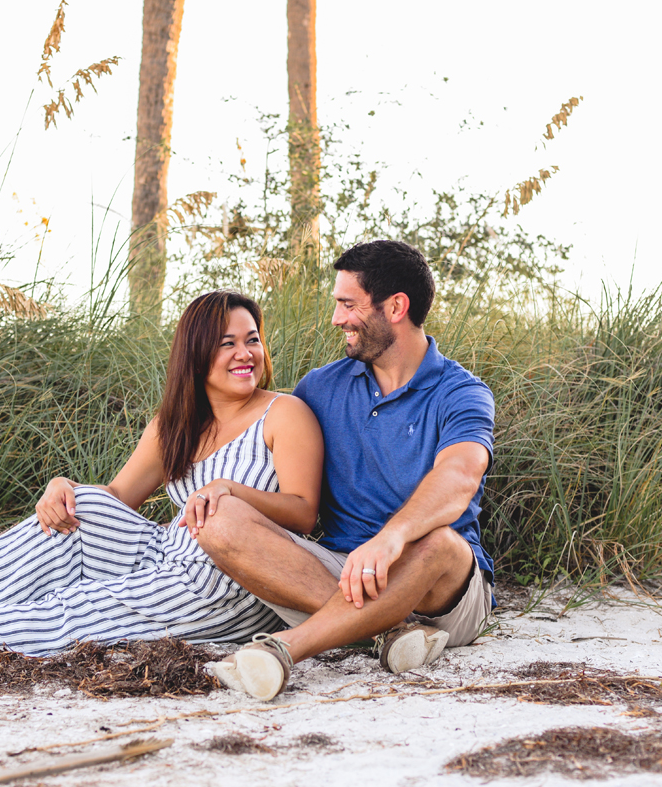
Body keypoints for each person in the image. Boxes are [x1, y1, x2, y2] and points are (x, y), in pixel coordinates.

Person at [0, 291, 324, 656]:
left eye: (253, 340)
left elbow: (303, 514)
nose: (245, 355)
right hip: (165, 554)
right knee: (79, 506)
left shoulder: (283, 413)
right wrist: (62, 487)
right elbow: (116, 498)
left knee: (74, 607)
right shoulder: (174, 427)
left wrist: (232, 491)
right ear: (195, 355)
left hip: (229, 582)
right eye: (227, 343)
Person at [192, 240, 496, 700]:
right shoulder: (321, 387)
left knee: (439, 542)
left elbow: (459, 477)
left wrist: (391, 538)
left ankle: (283, 649)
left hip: (439, 590)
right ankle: (388, 633)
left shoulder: (462, 393)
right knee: (216, 518)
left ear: (396, 307)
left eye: (347, 304)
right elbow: (247, 421)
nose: (336, 319)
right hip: (337, 573)